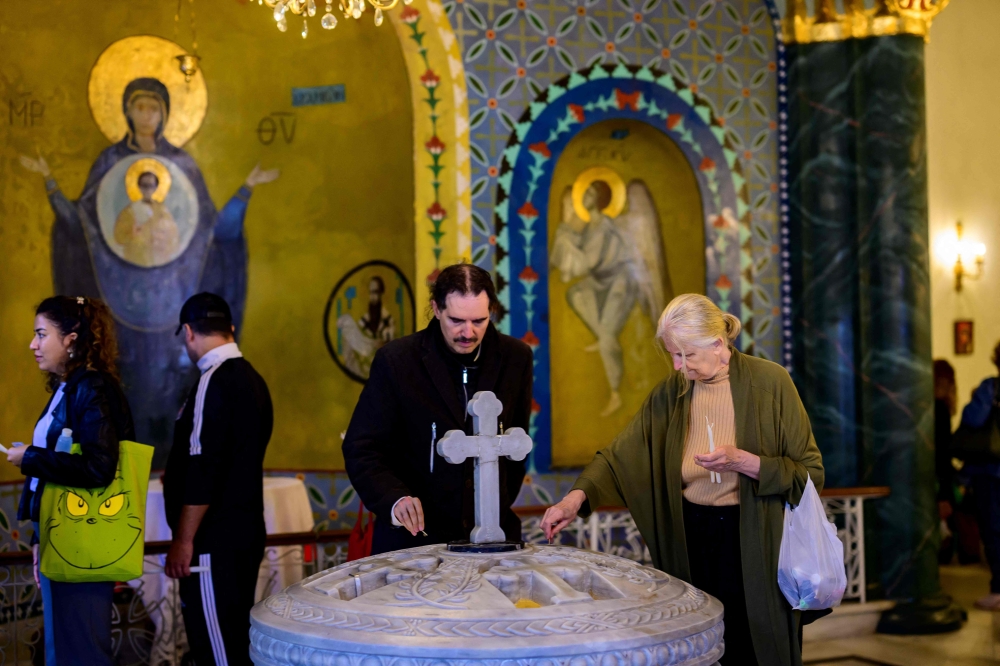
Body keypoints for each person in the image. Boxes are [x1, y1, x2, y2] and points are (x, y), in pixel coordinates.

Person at [540, 294, 824, 666]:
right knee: (696, 646)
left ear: (718, 344)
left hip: (756, 540)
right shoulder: (671, 394)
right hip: (691, 538)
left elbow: (810, 473)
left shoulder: (771, 383)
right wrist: (572, 500)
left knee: (752, 647)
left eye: (686, 355)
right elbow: (616, 456)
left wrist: (745, 462)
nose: (678, 366)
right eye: (673, 354)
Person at [343, 264, 533, 554]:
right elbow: (363, 447)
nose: (468, 332)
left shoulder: (515, 359)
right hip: (416, 539)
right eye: (457, 320)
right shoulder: (398, 362)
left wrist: (492, 503)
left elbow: (516, 447)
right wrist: (394, 499)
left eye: (479, 321)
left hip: (495, 536)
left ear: (491, 310)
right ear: (437, 308)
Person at [6, 296, 134, 665]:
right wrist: (37, 536)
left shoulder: (90, 387)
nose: (33, 344)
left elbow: (99, 467)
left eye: (41, 334)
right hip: (60, 534)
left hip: (84, 537)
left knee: (81, 649)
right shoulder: (68, 386)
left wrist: (29, 457)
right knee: (63, 648)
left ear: (71, 339)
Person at [163, 292, 273, 665]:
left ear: (189, 332)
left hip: (212, 543)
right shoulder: (254, 379)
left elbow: (203, 468)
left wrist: (183, 539)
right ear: (231, 327)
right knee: (231, 641)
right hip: (241, 535)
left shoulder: (213, 379)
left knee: (217, 652)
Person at [957, 340, 1000, 610]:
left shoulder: (991, 387)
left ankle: (999, 590)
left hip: (991, 471)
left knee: (994, 529)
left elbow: (972, 419)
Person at [113, 170, 180, 267]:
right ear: (139, 187)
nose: (147, 189)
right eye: (144, 185)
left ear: (156, 187)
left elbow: (174, 239)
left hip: (158, 260)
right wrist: (131, 233)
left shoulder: (163, 211)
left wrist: (162, 238)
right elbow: (118, 238)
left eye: (151, 185)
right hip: (135, 260)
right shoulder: (129, 211)